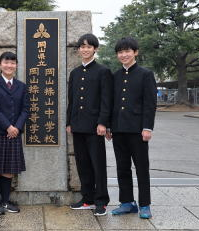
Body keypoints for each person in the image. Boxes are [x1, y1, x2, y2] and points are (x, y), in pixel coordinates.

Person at [107, 37, 157, 219]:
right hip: (119, 130)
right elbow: (112, 103)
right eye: (120, 52)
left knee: (142, 168)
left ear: (135, 52)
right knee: (122, 167)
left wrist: (147, 128)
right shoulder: (115, 76)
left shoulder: (145, 74)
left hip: (138, 130)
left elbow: (150, 104)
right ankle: (127, 202)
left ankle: (145, 204)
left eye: (127, 51)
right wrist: (110, 126)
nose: (123, 55)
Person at [66, 33, 113, 216]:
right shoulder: (75, 73)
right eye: (82, 47)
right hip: (77, 126)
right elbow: (73, 100)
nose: (85, 50)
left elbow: (106, 100)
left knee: (97, 164)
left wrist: (103, 123)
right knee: (83, 164)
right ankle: (87, 199)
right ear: (78, 50)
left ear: (95, 49)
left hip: (95, 127)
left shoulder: (103, 71)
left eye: (89, 46)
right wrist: (69, 122)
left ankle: (101, 200)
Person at [0, 52, 28, 215]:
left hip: (14, 133)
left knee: (8, 169)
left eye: (12, 63)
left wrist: (17, 127)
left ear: (16, 65)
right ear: (0, 65)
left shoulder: (21, 86)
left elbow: (25, 109)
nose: (9, 65)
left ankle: (6, 200)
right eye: (6, 62)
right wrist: (8, 126)